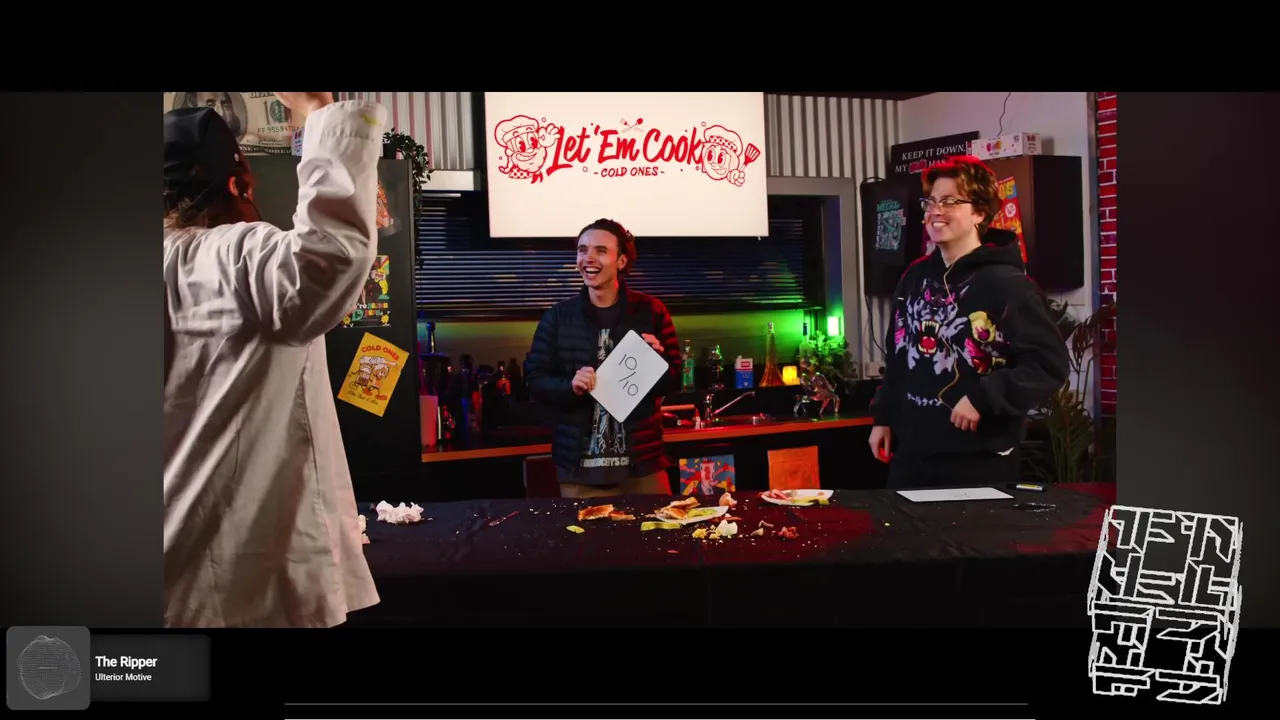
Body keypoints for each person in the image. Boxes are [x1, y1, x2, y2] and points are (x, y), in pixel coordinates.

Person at [162, 92, 385, 627]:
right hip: (236, 587)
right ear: (238, 184)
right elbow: (331, 256)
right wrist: (318, 108)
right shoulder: (227, 257)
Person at [868, 155, 1070, 489]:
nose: (935, 211)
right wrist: (884, 417)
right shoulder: (914, 277)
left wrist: (984, 398)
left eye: (950, 201)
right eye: (931, 201)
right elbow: (898, 356)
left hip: (978, 460)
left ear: (980, 212)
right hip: (912, 456)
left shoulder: (1007, 285)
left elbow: (1049, 364)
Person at [526, 219, 683, 498]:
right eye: (582, 250)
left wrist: (656, 364)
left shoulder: (651, 311)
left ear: (621, 261)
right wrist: (570, 386)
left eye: (600, 250)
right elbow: (535, 382)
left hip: (643, 468)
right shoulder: (557, 318)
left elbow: (675, 381)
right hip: (579, 471)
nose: (588, 258)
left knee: (662, 527)